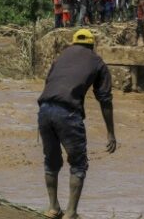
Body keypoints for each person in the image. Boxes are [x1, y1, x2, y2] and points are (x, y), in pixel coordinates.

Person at [37, 29, 117, 219]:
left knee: (51, 161)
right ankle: (71, 212)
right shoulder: (97, 62)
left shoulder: (61, 57)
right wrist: (111, 133)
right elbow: (105, 99)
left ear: (73, 43)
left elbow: (49, 83)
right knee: (79, 164)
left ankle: (53, 208)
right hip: (67, 112)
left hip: (45, 109)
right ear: (92, 45)